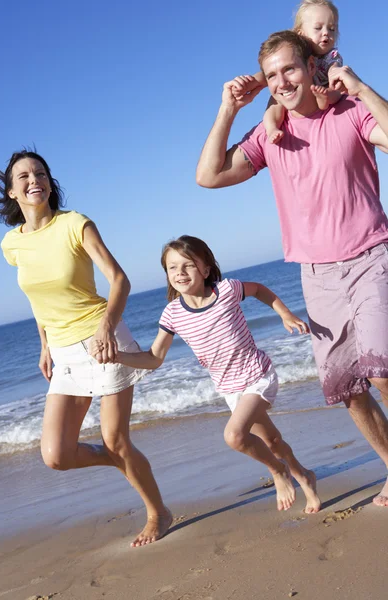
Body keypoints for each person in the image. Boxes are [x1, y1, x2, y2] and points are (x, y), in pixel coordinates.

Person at [195, 30, 388, 507]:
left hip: (370, 256)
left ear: (310, 66)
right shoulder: (270, 133)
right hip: (317, 275)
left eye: (290, 69)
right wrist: (229, 108)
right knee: (347, 387)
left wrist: (362, 88)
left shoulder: (351, 112)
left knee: (382, 370)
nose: (282, 81)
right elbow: (209, 175)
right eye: (272, 75)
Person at [0, 150, 172, 546]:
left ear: (50, 183)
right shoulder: (11, 244)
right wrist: (44, 345)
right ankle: (117, 460)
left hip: (102, 340)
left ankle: (158, 512)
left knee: (116, 438)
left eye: (40, 173)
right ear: (11, 191)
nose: (33, 179)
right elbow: (39, 298)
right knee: (56, 455)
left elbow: (119, 280)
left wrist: (106, 326)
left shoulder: (75, 224)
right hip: (63, 352)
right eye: (23, 176)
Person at [91, 235, 321, 514]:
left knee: (234, 436)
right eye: (172, 268)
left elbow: (259, 290)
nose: (180, 273)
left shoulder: (227, 291)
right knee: (271, 441)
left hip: (257, 376)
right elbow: (154, 358)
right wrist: (117, 357)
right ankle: (304, 475)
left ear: (206, 269)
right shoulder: (173, 314)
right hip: (229, 389)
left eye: (188, 265)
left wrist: (284, 314)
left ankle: (279, 472)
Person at [247, 0, 343, 144]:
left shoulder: (332, 56)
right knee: (275, 101)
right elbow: (269, 72)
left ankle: (325, 99)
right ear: (301, 33)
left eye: (332, 29)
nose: (326, 33)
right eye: (318, 28)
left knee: (338, 91)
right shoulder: (295, 53)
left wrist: (331, 86)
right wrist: (253, 81)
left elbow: (334, 69)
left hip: (321, 88)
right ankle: (271, 127)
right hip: (297, 93)